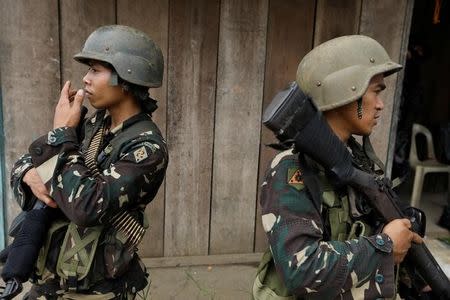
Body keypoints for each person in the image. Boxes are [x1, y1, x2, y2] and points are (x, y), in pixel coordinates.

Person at [253, 35, 425, 299]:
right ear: (348, 89)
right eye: (376, 91)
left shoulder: (357, 159)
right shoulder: (292, 167)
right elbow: (302, 270)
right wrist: (385, 246)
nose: (380, 105)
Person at [5, 25, 168, 299]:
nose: (86, 79)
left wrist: (61, 135)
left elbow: (87, 207)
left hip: (98, 289)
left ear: (126, 77)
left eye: (95, 70)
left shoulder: (146, 148)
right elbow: (27, 161)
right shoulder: (92, 124)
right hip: (53, 278)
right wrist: (29, 176)